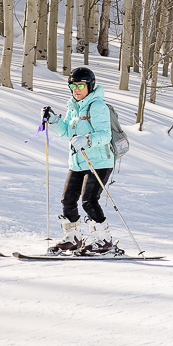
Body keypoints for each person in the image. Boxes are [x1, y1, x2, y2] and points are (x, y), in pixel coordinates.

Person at [46, 66, 117, 255]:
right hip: (78, 161)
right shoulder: (73, 106)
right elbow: (68, 132)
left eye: (81, 85)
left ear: (90, 86)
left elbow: (105, 135)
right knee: (67, 200)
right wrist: (54, 120)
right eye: (73, 85)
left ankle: (104, 240)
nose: (76, 89)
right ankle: (73, 238)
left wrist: (87, 140)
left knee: (89, 201)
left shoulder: (98, 106)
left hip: (99, 161)